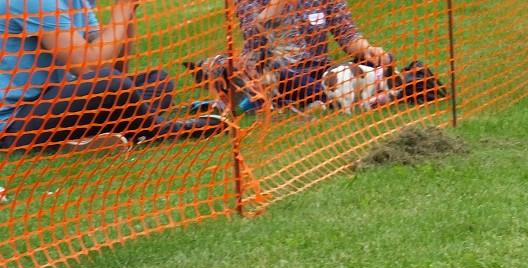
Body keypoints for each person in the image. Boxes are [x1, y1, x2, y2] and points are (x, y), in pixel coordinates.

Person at [0, 0, 225, 151]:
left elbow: (118, 68)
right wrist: (122, 7)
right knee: (109, 84)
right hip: (15, 123)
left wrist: (129, 12)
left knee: (159, 81)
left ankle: (98, 135)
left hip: (59, 100)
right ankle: (159, 129)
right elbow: (90, 67)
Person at [236, 0, 392, 110]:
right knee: (276, 72)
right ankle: (344, 94)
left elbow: (346, 32)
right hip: (275, 72)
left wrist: (367, 49)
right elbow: (255, 36)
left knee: (384, 61)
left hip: (319, 69)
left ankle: (334, 94)